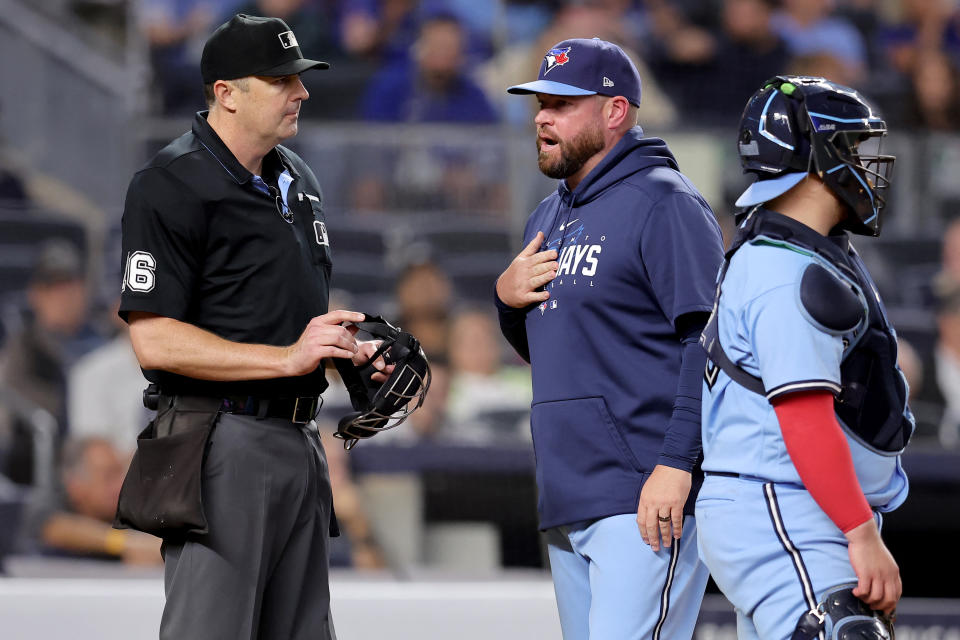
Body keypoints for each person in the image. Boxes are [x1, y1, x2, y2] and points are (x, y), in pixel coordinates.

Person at [118, 14, 390, 639]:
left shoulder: (298, 178)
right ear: (226, 93)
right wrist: (287, 359)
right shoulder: (171, 182)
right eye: (281, 79)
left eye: (300, 77)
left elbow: (285, 326)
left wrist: (343, 353)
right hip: (220, 441)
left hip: (300, 440)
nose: (302, 91)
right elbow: (152, 335)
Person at [496, 38, 724, 639]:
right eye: (539, 101)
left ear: (615, 111)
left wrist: (677, 464)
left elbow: (710, 347)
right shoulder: (545, 216)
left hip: (644, 496)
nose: (542, 116)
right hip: (569, 494)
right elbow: (556, 347)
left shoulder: (666, 204)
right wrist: (505, 301)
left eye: (562, 103)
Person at [697, 76, 912, 639]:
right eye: (852, 148)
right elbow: (804, 418)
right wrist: (861, 531)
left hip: (785, 501)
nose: (867, 164)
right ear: (817, 159)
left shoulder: (787, 250)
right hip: (781, 500)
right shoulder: (786, 272)